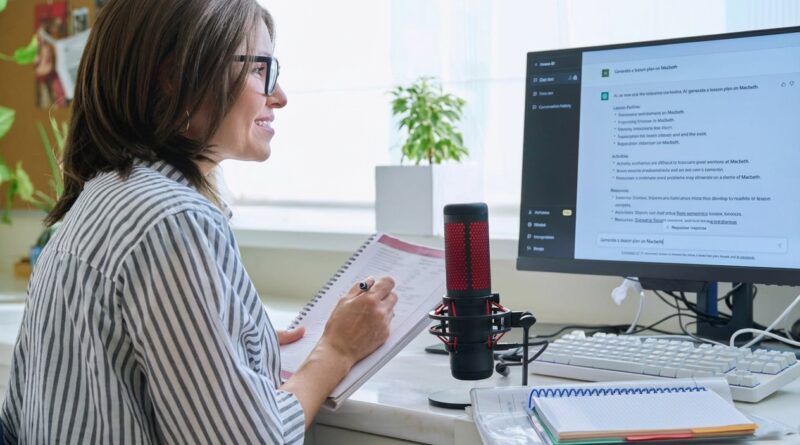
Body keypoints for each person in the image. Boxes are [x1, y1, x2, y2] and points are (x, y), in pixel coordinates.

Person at [0, 0, 397, 443]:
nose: (279, 96)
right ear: (175, 77)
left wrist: (228, 346)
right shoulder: (170, 219)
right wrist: (336, 351)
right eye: (259, 68)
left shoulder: (102, 197)